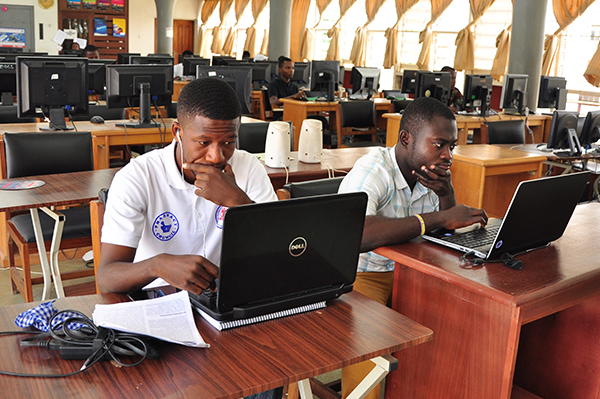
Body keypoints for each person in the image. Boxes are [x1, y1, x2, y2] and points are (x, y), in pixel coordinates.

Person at [97, 77, 280, 399]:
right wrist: (158, 265)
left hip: (228, 298)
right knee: (181, 381)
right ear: (177, 132)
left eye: (228, 143)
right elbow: (108, 277)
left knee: (272, 365)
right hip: (158, 301)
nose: (216, 156)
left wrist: (238, 202)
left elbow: (280, 249)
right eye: (203, 142)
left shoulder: (248, 167)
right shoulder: (137, 178)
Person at [337, 96, 488, 399]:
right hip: (360, 278)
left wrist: (447, 196)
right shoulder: (375, 170)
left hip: (413, 273)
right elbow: (353, 232)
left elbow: (443, 231)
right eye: (439, 144)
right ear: (406, 139)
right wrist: (439, 216)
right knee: (368, 338)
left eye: (452, 147)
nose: (448, 156)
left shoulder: (432, 174)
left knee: (462, 324)